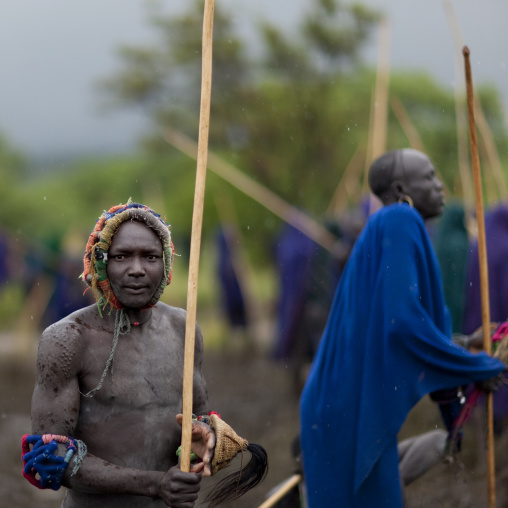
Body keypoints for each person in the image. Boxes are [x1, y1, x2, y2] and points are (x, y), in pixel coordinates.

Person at [21, 201, 267, 508]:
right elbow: (49, 457)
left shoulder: (184, 328)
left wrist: (206, 439)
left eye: (150, 257)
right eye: (122, 256)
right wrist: (155, 483)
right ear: (100, 264)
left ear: (165, 265)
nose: (136, 270)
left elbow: (197, 420)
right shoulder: (69, 339)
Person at [299, 149, 506, 508]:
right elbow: (403, 328)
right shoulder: (399, 220)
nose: (440, 186)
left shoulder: (391, 225)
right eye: (429, 177)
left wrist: (461, 344)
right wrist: (479, 367)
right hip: (347, 402)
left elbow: (387, 329)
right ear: (400, 187)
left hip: (341, 397)